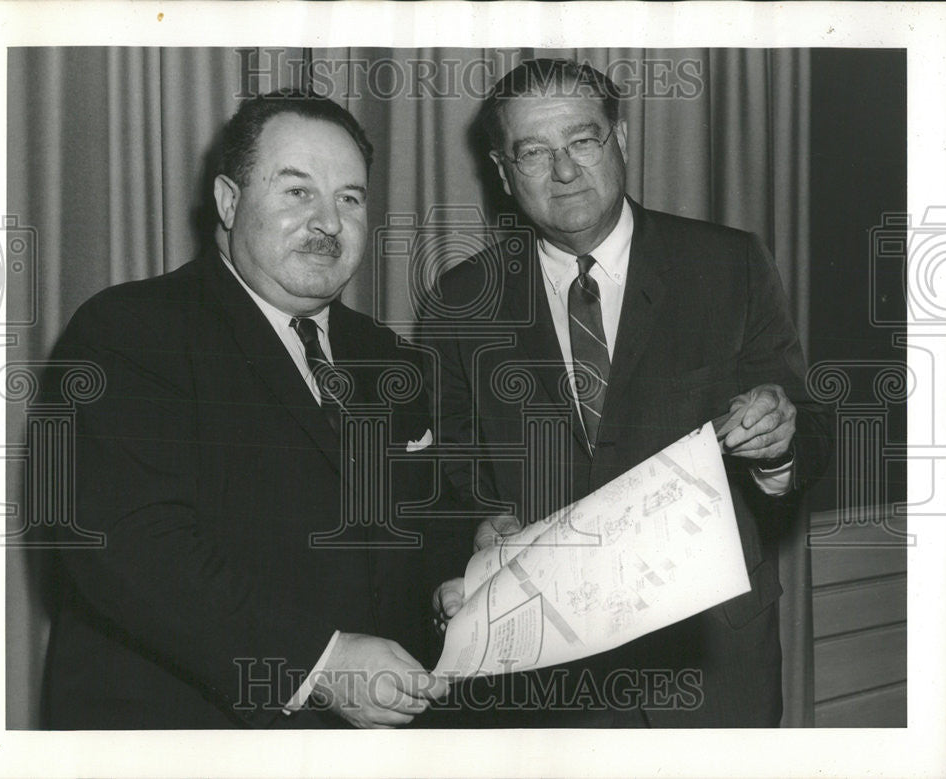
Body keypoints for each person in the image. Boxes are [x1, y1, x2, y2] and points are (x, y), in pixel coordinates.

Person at [427, 59, 833, 727]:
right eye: (534, 152)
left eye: (582, 140)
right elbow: (450, 469)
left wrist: (779, 443)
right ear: (503, 172)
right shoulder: (464, 300)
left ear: (621, 137)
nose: (564, 171)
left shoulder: (728, 264)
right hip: (545, 679)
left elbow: (810, 430)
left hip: (710, 668)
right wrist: (474, 525)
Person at [42, 89, 451, 729]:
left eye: (350, 198)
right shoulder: (129, 331)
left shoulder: (390, 359)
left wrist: (467, 571)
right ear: (229, 201)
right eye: (297, 192)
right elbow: (133, 549)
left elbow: (420, 534)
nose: (327, 222)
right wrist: (320, 664)